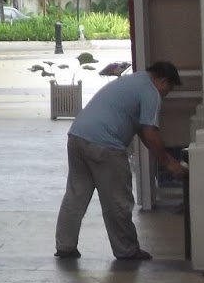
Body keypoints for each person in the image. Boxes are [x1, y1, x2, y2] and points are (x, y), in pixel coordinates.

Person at [54, 60, 184, 261]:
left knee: (76, 195)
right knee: (117, 200)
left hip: (77, 136)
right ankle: (127, 250)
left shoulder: (133, 81)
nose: (166, 94)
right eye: (169, 89)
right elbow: (150, 133)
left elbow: (142, 130)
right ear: (163, 81)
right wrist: (168, 162)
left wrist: (164, 158)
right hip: (105, 145)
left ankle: (65, 245)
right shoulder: (151, 92)